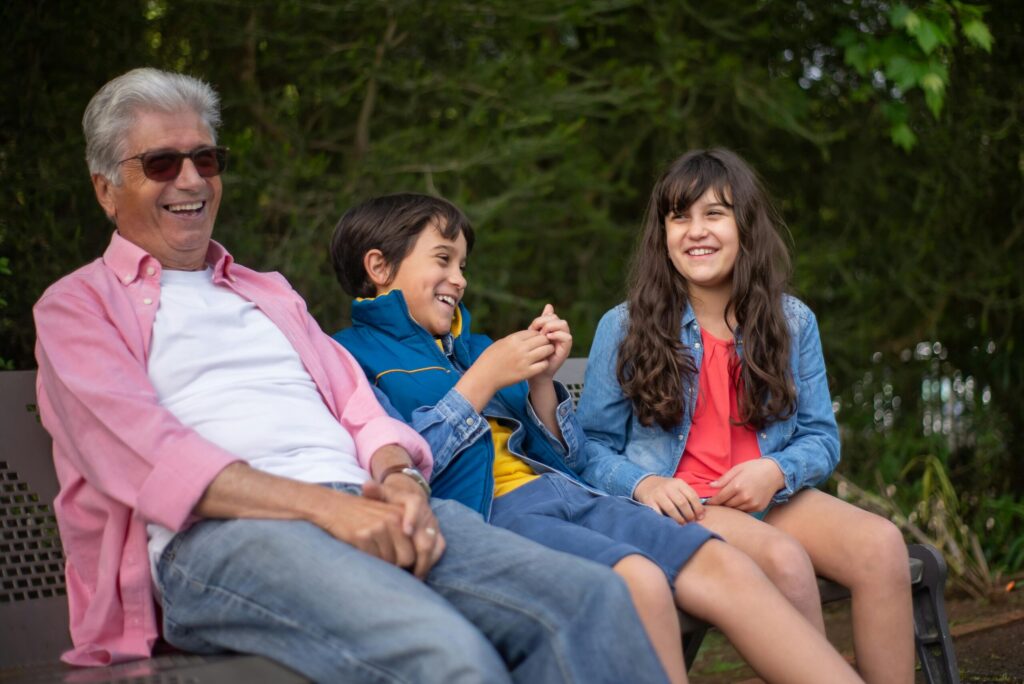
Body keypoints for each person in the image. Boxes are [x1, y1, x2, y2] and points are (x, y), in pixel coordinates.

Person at [32, 67, 680, 684]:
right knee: (448, 657)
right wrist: (332, 510)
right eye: (161, 163)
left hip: (365, 502)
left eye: (206, 160)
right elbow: (154, 460)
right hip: (221, 537)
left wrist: (400, 478)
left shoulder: (268, 294)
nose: (191, 180)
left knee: (592, 599)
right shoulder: (78, 309)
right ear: (105, 186)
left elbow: (359, 408)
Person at [330, 192, 865, 684]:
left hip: (575, 496)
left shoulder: (471, 348)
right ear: (378, 267)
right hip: (495, 517)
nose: (460, 279)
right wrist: (482, 381)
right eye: (443, 259)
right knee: (641, 581)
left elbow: (572, 457)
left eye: (463, 265)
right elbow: (398, 467)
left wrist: (541, 383)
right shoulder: (349, 359)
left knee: (725, 564)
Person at [577, 148, 914, 684]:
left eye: (714, 213)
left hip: (767, 494)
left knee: (881, 544)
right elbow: (587, 447)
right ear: (661, 233)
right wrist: (644, 484)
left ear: (745, 225)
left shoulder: (790, 321)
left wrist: (776, 471)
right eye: (679, 216)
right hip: (687, 504)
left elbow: (821, 437)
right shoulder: (624, 328)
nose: (695, 230)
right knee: (784, 560)